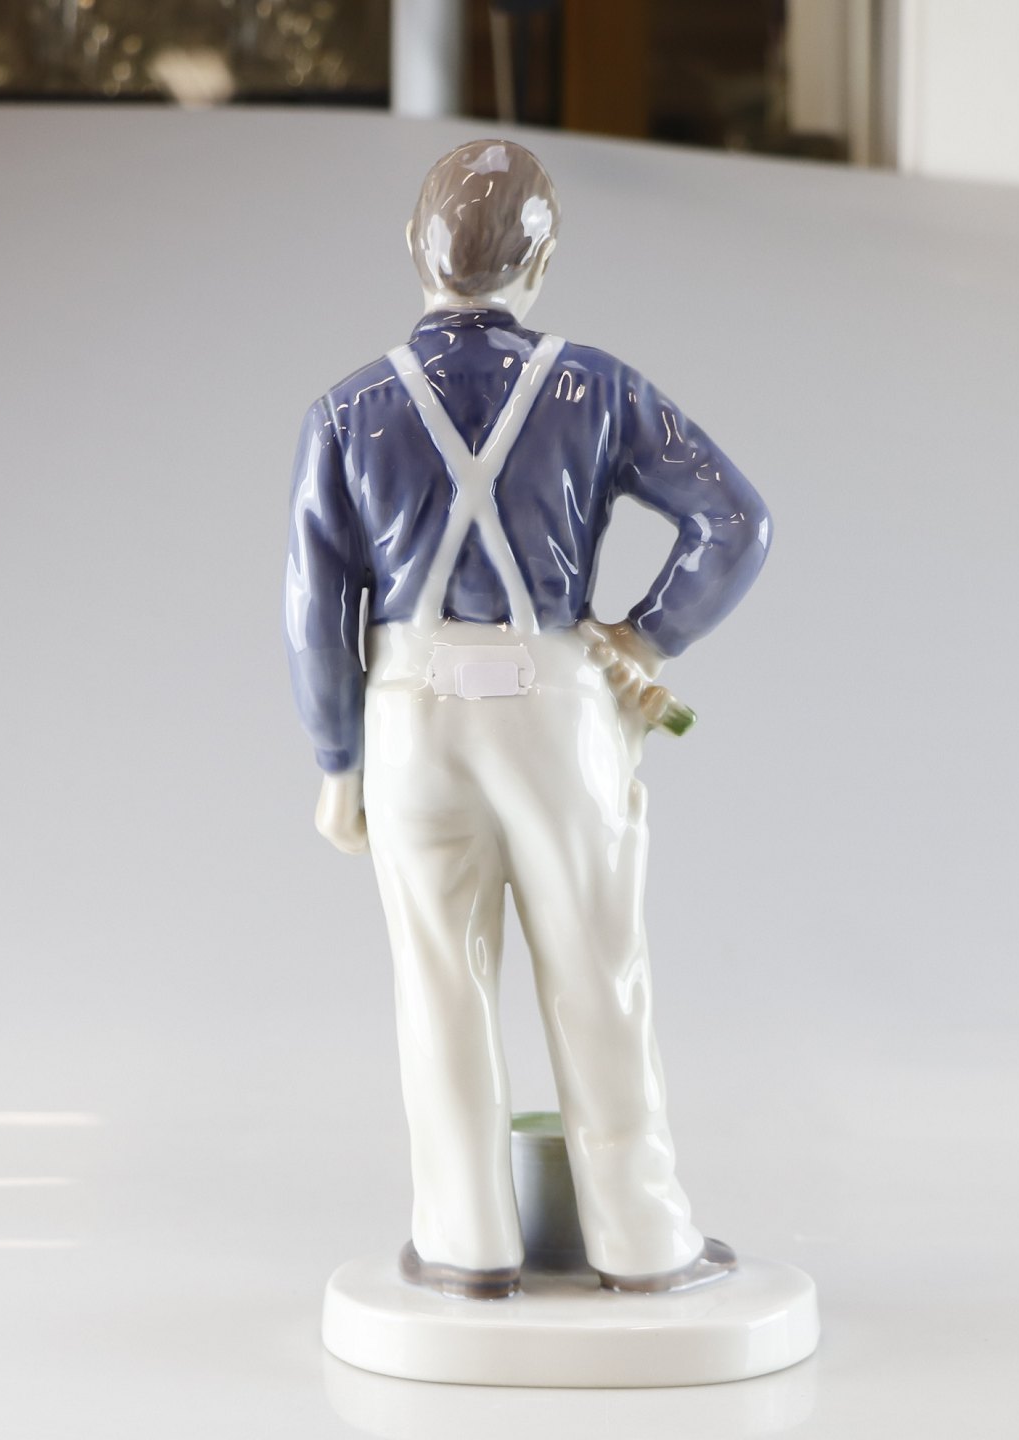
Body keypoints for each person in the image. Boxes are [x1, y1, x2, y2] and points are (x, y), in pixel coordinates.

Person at [284, 138, 771, 1298]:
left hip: (412, 718)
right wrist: (647, 636)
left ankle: (464, 1243)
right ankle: (642, 1240)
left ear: (413, 250)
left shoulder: (346, 411)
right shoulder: (595, 387)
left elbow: (315, 607)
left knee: (439, 986)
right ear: (541, 264)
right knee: (599, 974)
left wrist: (338, 760)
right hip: (556, 709)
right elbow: (737, 521)